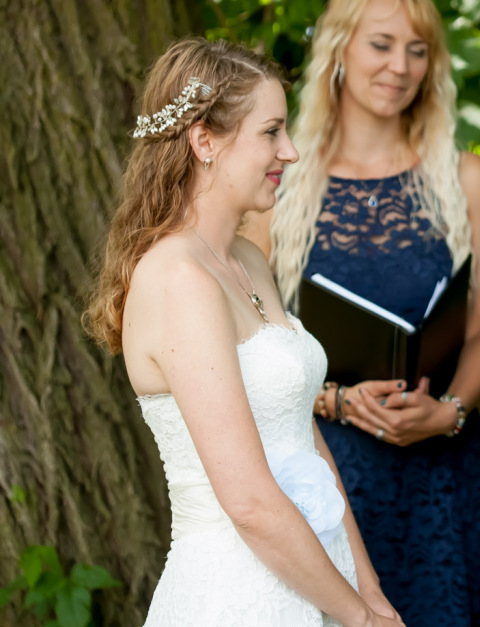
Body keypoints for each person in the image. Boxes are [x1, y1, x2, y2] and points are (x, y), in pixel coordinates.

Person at [83, 37, 402, 626]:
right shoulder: (177, 279)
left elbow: (304, 435)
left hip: (320, 573)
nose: (291, 152)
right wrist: (359, 620)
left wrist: (370, 590)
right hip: (238, 592)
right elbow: (250, 504)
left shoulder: (248, 260)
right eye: (271, 132)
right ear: (205, 140)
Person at [247, 0, 480, 627]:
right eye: (381, 44)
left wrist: (450, 411)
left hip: (447, 465)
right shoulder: (277, 185)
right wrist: (337, 399)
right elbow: (256, 343)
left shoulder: (466, 177)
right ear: (340, 49)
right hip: (326, 469)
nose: (399, 66)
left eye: (418, 49)